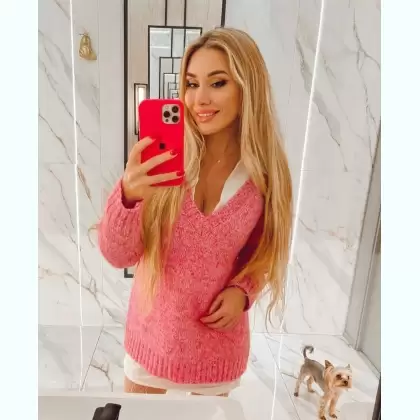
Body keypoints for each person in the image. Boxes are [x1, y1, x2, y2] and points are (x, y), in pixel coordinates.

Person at [98, 27, 292, 396]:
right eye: (191, 84)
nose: (199, 99)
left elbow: (264, 253)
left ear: (247, 88)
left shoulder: (265, 176)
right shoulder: (165, 160)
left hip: (216, 352)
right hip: (151, 345)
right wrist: (128, 196)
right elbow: (117, 254)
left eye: (217, 83)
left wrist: (243, 292)